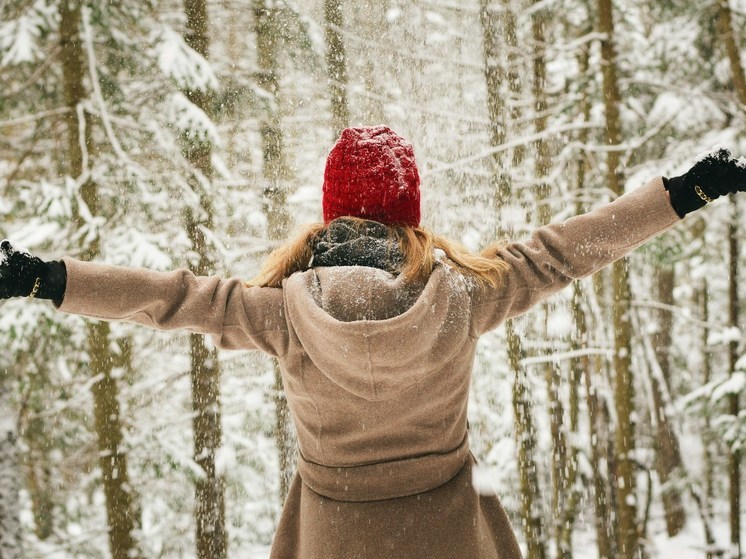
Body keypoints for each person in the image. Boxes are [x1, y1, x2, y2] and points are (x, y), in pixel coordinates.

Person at [1, 125, 745, 559]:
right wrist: (685, 192)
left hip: (333, 536)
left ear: (329, 216)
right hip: (454, 535)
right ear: (408, 213)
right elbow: (565, 251)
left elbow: (166, 299)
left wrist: (44, 278)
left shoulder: (282, 311)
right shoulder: (463, 294)